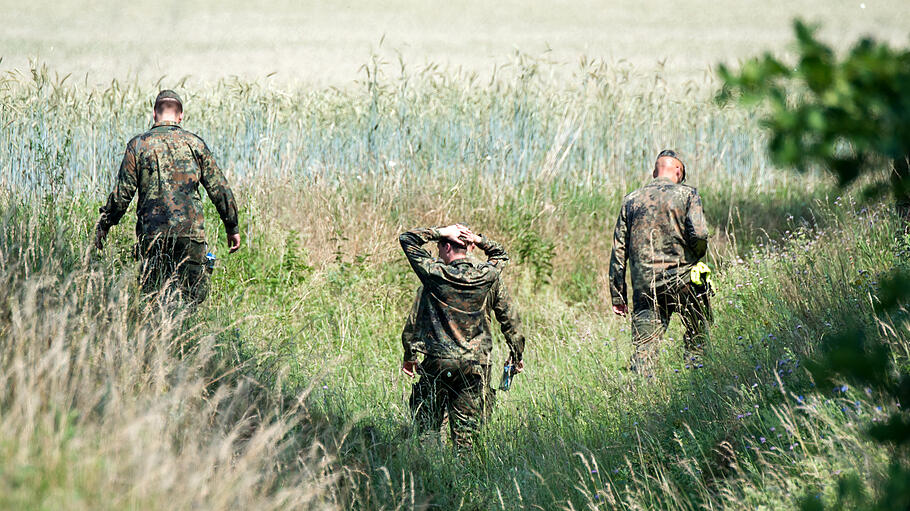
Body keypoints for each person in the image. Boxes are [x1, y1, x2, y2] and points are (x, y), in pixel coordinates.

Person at [94, 90, 240, 306]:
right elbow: (219, 188)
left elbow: (122, 194)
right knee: (191, 302)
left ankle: (159, 338)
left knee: (154, 301)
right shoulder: (195, 144)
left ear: (155, 114)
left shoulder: (138, 145)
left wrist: (103, 225)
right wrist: (232, 226)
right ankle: (186, 338)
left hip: (152, 237)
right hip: (190, 235)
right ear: (180, 116)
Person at [399, 224, 525, 449]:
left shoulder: (435, 275)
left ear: (447, 246)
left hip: (438, 361)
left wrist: (440, 231)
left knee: (428, 428)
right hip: (475, 363)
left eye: (439, 247)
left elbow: (407, 239)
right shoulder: (486, 275)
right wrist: (516, 353)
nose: (438, 252)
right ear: (470, 247)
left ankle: (429, 475)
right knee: (468, 434)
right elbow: (509, 316)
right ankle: (466, 481)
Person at [609, 150, 712, 378]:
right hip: (684, 281)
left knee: (644, 351)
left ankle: (641, 401)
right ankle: (698, 387)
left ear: (655, 171)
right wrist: (696, 257)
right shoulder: (687, 194)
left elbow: (618, 250)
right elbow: (701, 235)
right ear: (678, 171)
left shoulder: (631, 200)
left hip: (646, 288)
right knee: (699, 336)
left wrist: (618, 295)